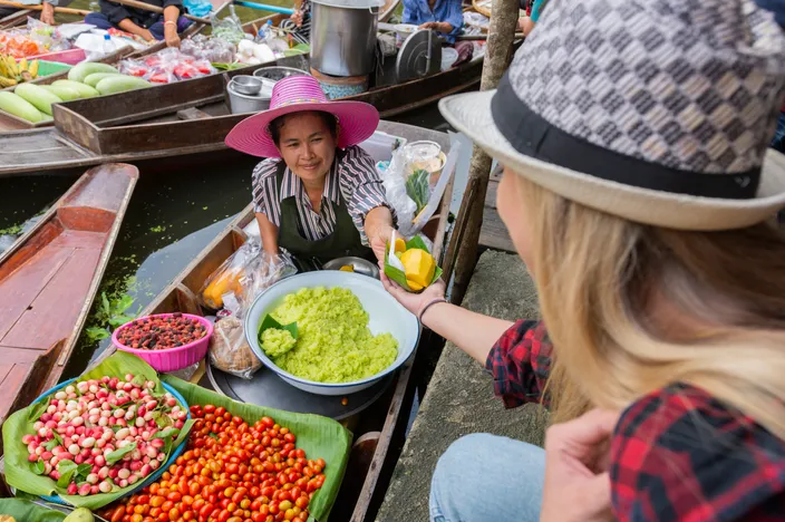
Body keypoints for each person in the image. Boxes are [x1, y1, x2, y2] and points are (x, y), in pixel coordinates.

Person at [381, 0, 785, 520]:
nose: (503, 193)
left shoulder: (684, 462)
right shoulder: (676, 318)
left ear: (563, 217)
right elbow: (546, 358)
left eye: (507, 168)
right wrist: (430, 308)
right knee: (467, 468)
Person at [225, 75, 397, 272]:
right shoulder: (268, 177)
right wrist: (272, 263)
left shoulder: (353, 165)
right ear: (278, 148)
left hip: (361, 271)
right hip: (303, 274)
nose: (307, 155)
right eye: (293, 144)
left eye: (316, 139)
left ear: (335, 135)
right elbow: (264, 211)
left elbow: (371, 202)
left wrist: (381, 231)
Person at [83, 0, 191, 47]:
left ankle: (136, 39)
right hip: (131, 25)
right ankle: (138, 38)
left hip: (158, 19)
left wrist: (170, 26)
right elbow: (114, 13)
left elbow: (172, 3)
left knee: (182, 21)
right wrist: (141, 32)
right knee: (92, 18)